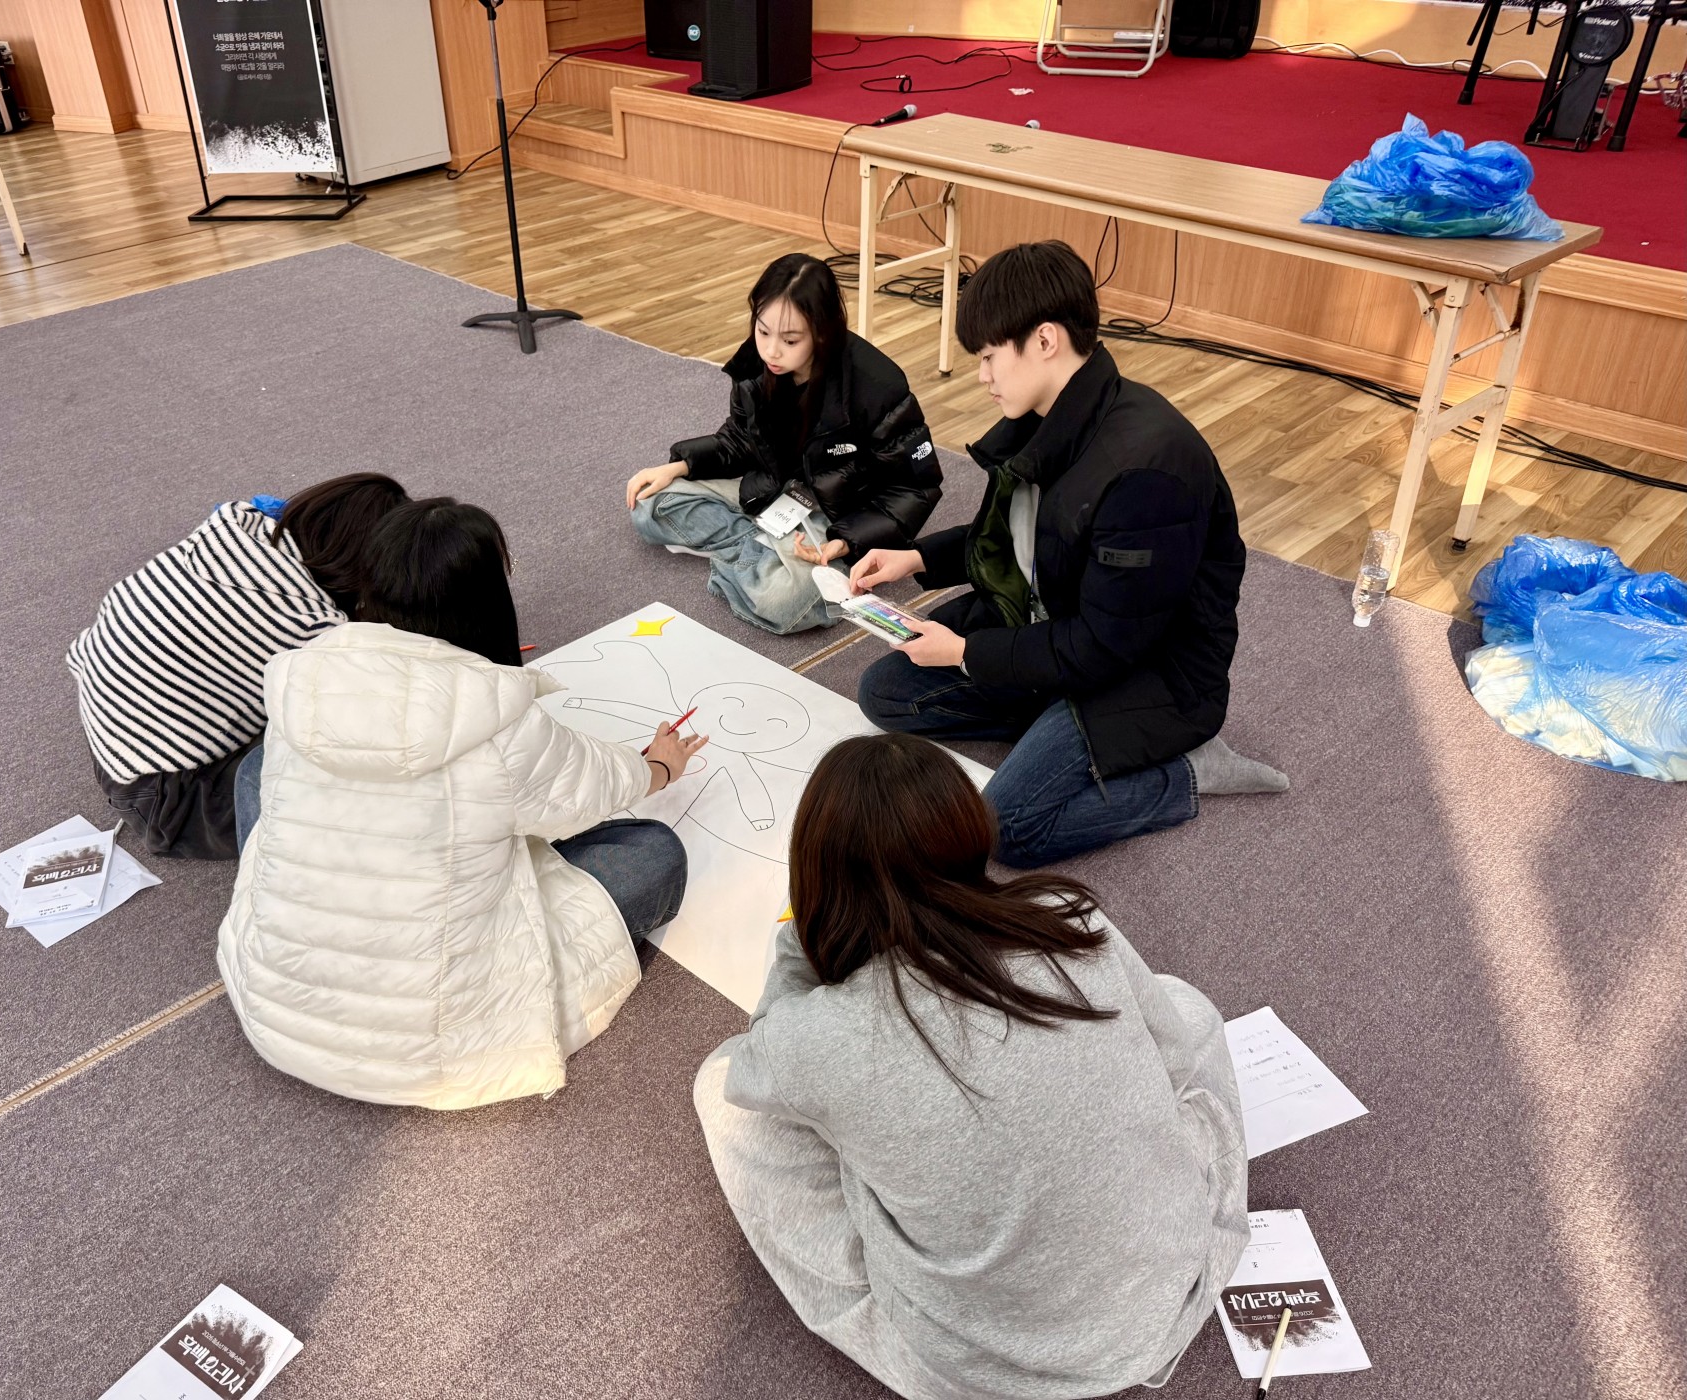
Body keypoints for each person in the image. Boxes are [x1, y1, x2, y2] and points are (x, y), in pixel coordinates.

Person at [693, 733, 1249, 1400]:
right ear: (970, 835)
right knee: (1182, 1003)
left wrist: (801, 936)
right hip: (1180, 1288)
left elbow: (754, 1057)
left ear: (815, 876)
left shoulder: (811, 1036)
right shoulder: (1067, 918)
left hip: (979, 1375)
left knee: (721, 1091)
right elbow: (1177, 1057)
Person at [218, 498, 708, 1109]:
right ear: (485, 599)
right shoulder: (497, 716)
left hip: (279, 1008)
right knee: (655, 853)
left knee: (258, 769)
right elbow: (593, 789)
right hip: (439, 1046)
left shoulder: (305, 675)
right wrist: (659, 766)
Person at [849, 241, 1286, 868]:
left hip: (1148, 674)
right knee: (886, 693)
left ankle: (1182, 772)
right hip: (1058, 623)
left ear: (1045, 340)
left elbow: (1105, 647)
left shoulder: (1145, 471)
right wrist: (915, 559)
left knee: (1008, 830)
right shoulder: (1049, 415)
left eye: (989, 356)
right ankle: (1050, 724)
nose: (982, 376)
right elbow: (1022, 539)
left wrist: (969, 653)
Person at [65, 472, 407, 860]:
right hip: (171, 808)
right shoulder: (308, 627)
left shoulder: (232, 527)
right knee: (357, 750)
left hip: (116, 741)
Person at [626, 252, 942, 635]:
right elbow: (740, 439)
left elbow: (914, 488)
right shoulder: (755, 365)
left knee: (782, 602)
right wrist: (680, 465)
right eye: (763, 332)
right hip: (771, 490)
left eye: (790, 339)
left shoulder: (878, 386)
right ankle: (760, 548)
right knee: (650, 505)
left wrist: (846, 542)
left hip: (839, 513)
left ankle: (764, 554)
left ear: (822, 331)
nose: (772, 351)